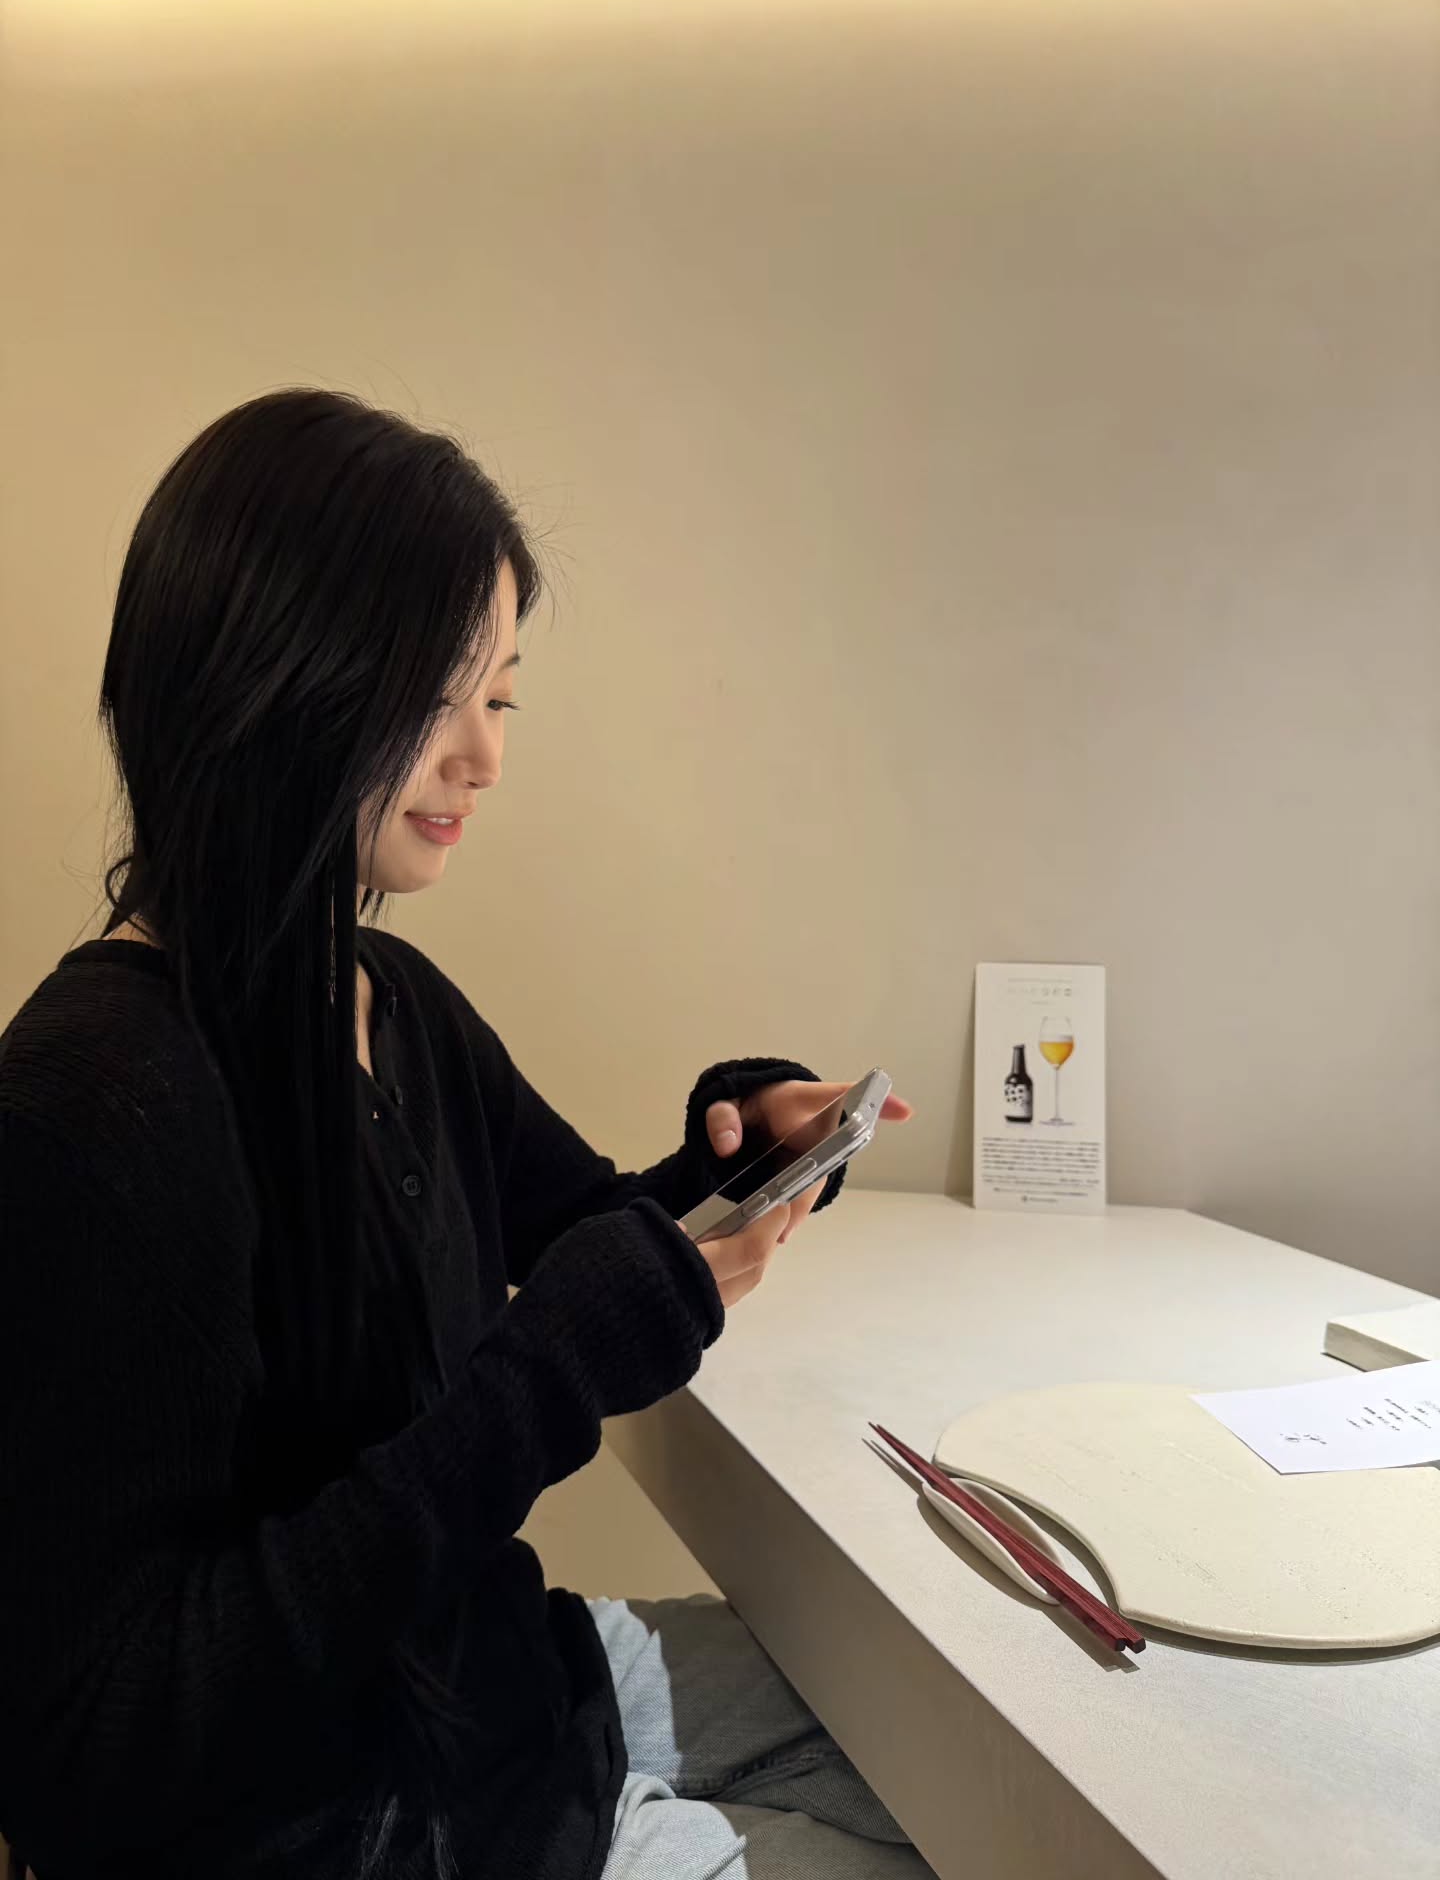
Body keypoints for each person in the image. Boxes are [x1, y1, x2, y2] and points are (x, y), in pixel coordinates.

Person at [0, 390, 928, 1880]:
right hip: (370, 1828)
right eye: (440, 696)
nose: (484, 759)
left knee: (936, 1740)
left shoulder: (390, 1000)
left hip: (503, 1697)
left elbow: (586, 1239)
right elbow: (95, 1753)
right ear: (270, 683)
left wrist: (730, 1159)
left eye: (501, 698)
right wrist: (544, 1377)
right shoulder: (94, 1106)